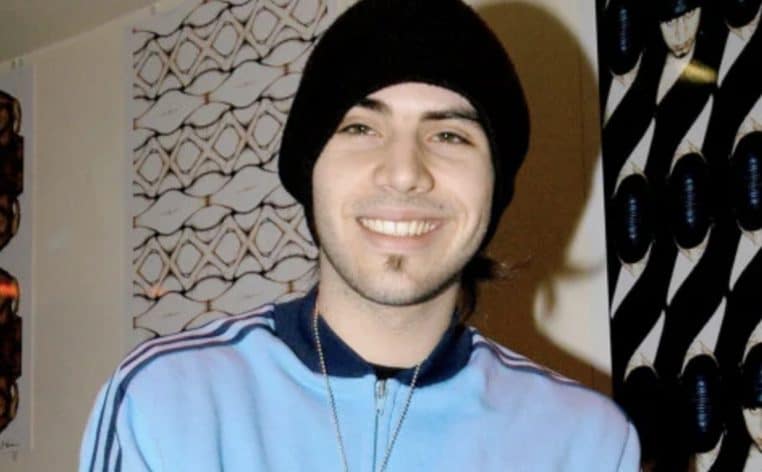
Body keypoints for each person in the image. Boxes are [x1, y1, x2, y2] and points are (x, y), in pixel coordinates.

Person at [80, 0, 640, 470]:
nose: (404, 172)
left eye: (449, 135)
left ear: (496, 185)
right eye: (361, 127)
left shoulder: (587, 442)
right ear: (310, 169)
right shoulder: (165, 400)